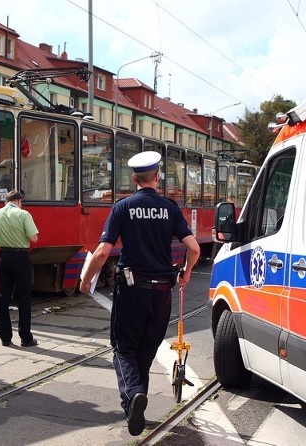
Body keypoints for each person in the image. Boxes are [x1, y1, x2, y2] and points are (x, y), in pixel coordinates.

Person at [80, 151, 200, 437]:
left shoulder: (123, 207)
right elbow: (194, 248)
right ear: (157, 177)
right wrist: (187, 272)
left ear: (134, 179)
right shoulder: (170, 208)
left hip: (133, 291)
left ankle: (133, 396)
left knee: (123, 348)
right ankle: (137, 403)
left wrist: (85, 281)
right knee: (145, 350)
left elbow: (102, 252)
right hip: (162, 293)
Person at [0, 189, 39, 348]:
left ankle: (5, 337)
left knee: (3, 297)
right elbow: (34, 238)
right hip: (21, 257)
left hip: (3, 257)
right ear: (19, 201)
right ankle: (25, 338)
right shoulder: (23, 214)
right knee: (23, 297)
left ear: (6, 201)